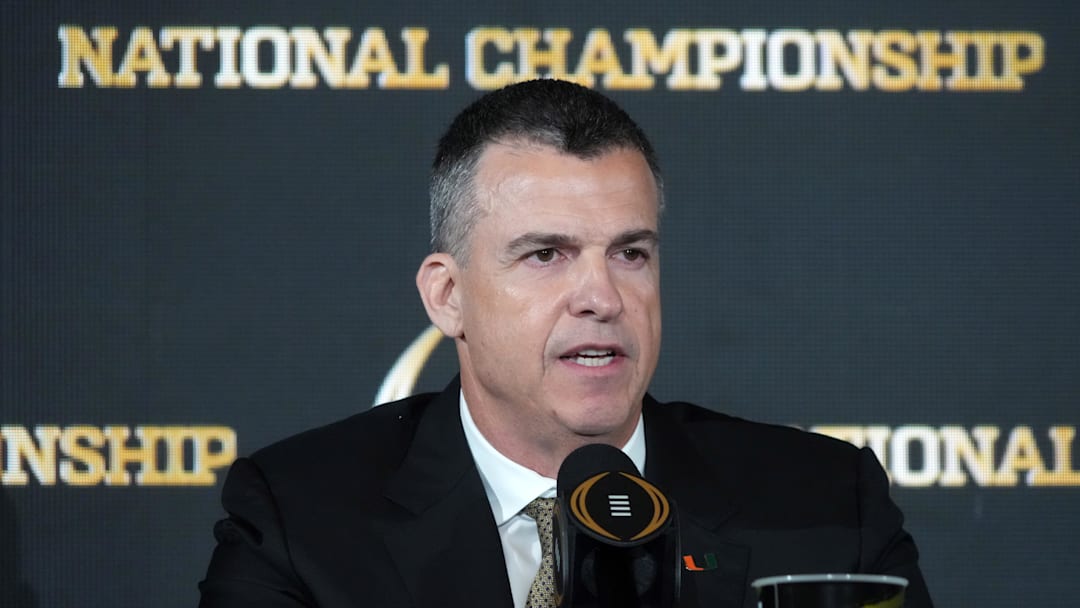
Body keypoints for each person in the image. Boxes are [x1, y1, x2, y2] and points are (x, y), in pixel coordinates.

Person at [198, 79, 933, 608]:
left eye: (630, 253)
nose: (603, 297)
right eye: (546, 254)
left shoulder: (831, 508)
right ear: (447, 296)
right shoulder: (299, 519)